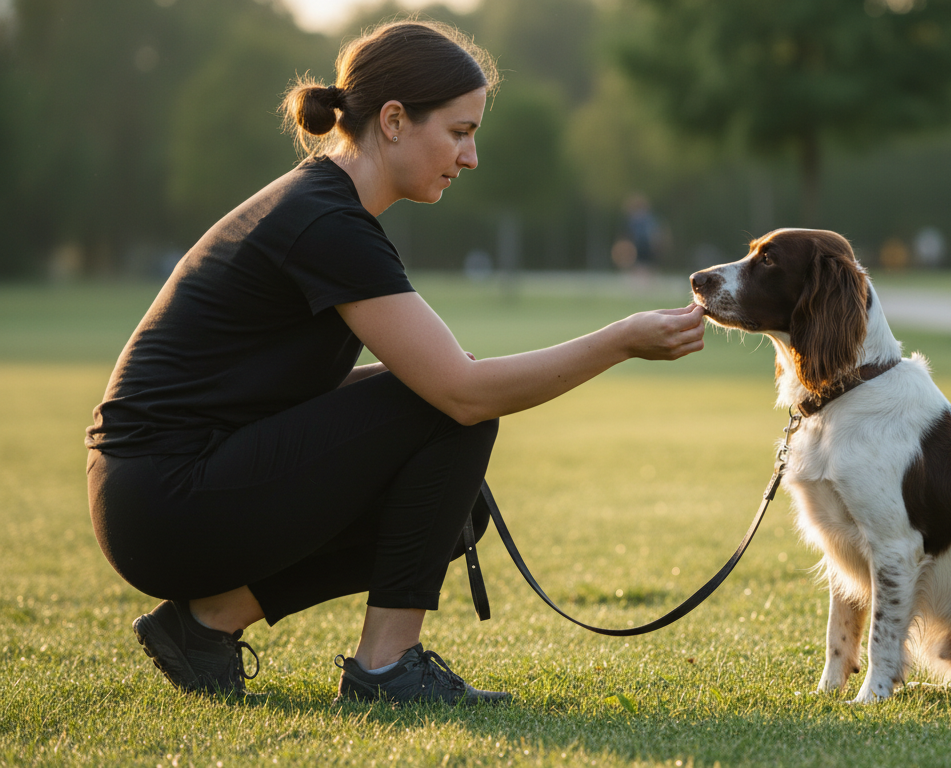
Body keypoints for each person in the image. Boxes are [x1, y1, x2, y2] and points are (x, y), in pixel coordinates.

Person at [84, 20, 705, 705]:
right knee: (452, 412)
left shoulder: (326, 207)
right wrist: (620, 340)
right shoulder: (326, 222)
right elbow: (462, 393)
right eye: (460, 132)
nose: (470, 158)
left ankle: (205, 626)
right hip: (164, 499)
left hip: (160, 495)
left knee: (451, 504)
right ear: (394, 121)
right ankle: (386, 669)